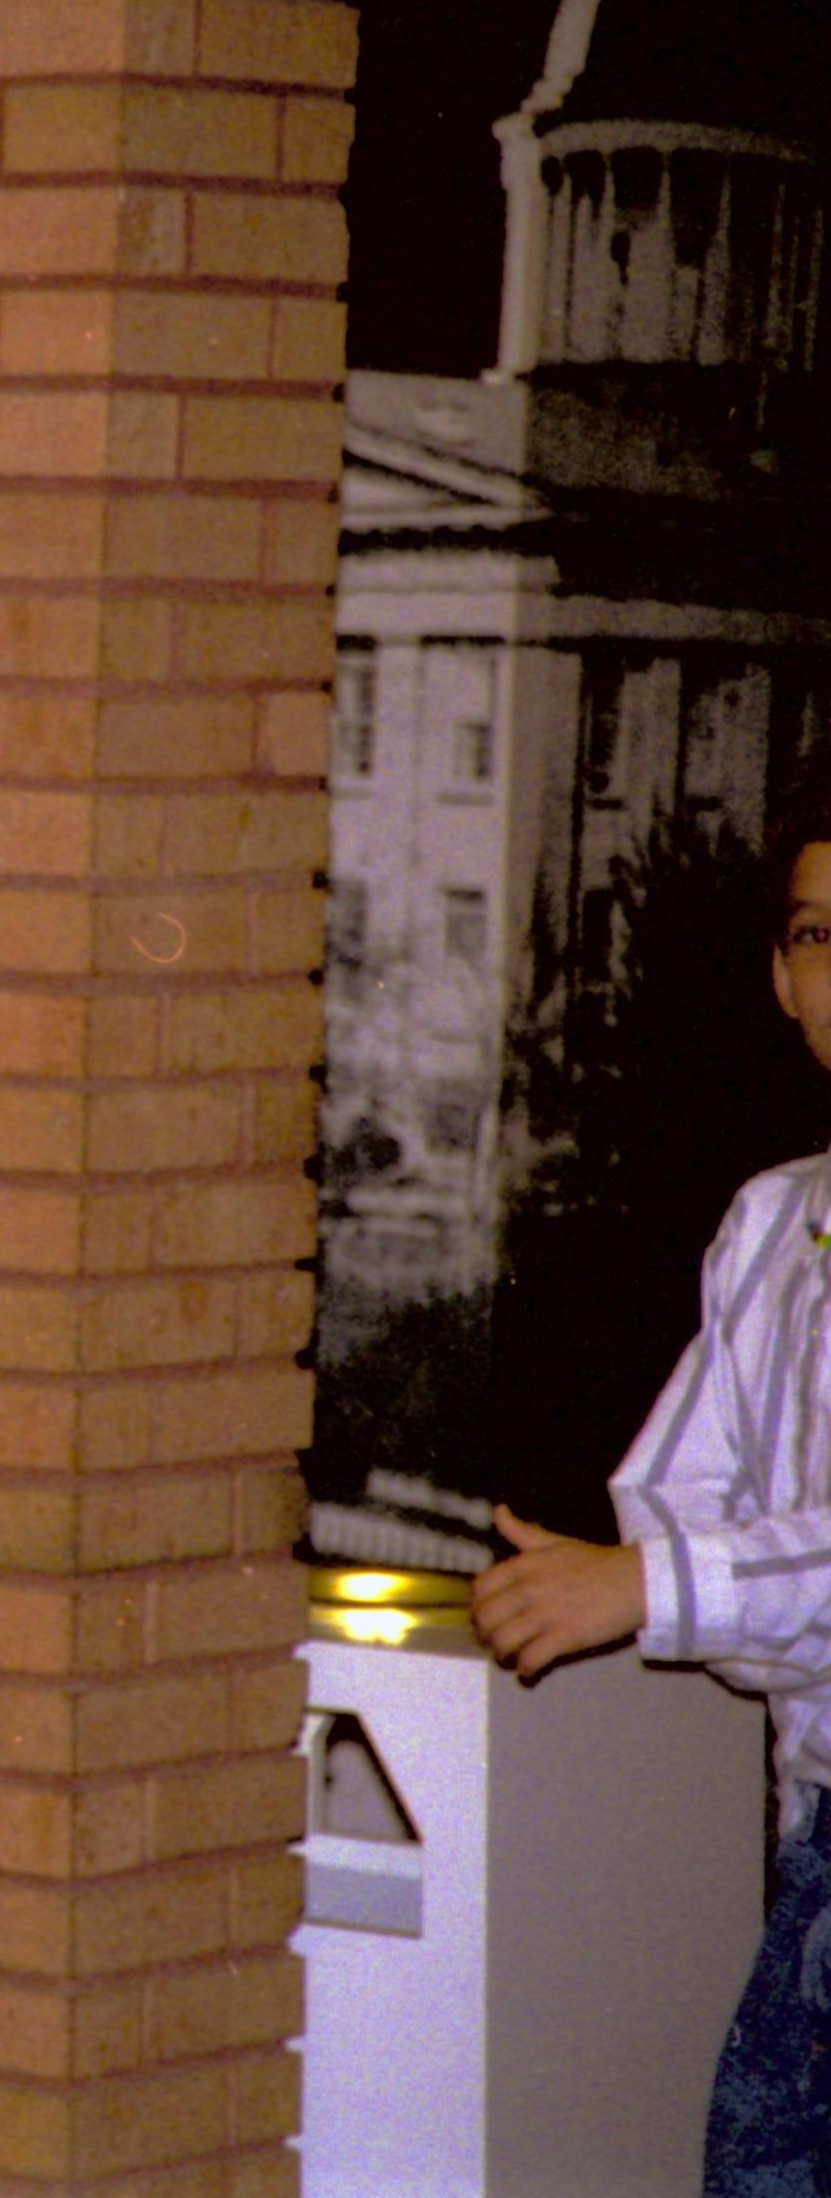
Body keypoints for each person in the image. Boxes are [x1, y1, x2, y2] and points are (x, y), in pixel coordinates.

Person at [471, 784, 831, 2196]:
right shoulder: (776, 1221)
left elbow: (703, 1571)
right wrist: (640, 1576)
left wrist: (662, 1588)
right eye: (814, 933)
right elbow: (684, 1496)